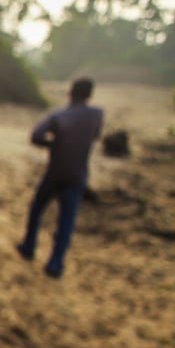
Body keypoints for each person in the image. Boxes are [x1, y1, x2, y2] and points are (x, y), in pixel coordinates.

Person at [16, 77, 104, 278]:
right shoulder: (96, 115)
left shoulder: (59, 115)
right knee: (66, 220)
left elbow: (36, 135)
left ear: (70, 93)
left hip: (55, 172)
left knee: (37, 208)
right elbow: (96, 136)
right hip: (77, 174)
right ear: (90, 95)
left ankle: (28, 246)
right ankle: (55, 263)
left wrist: (53, 145)